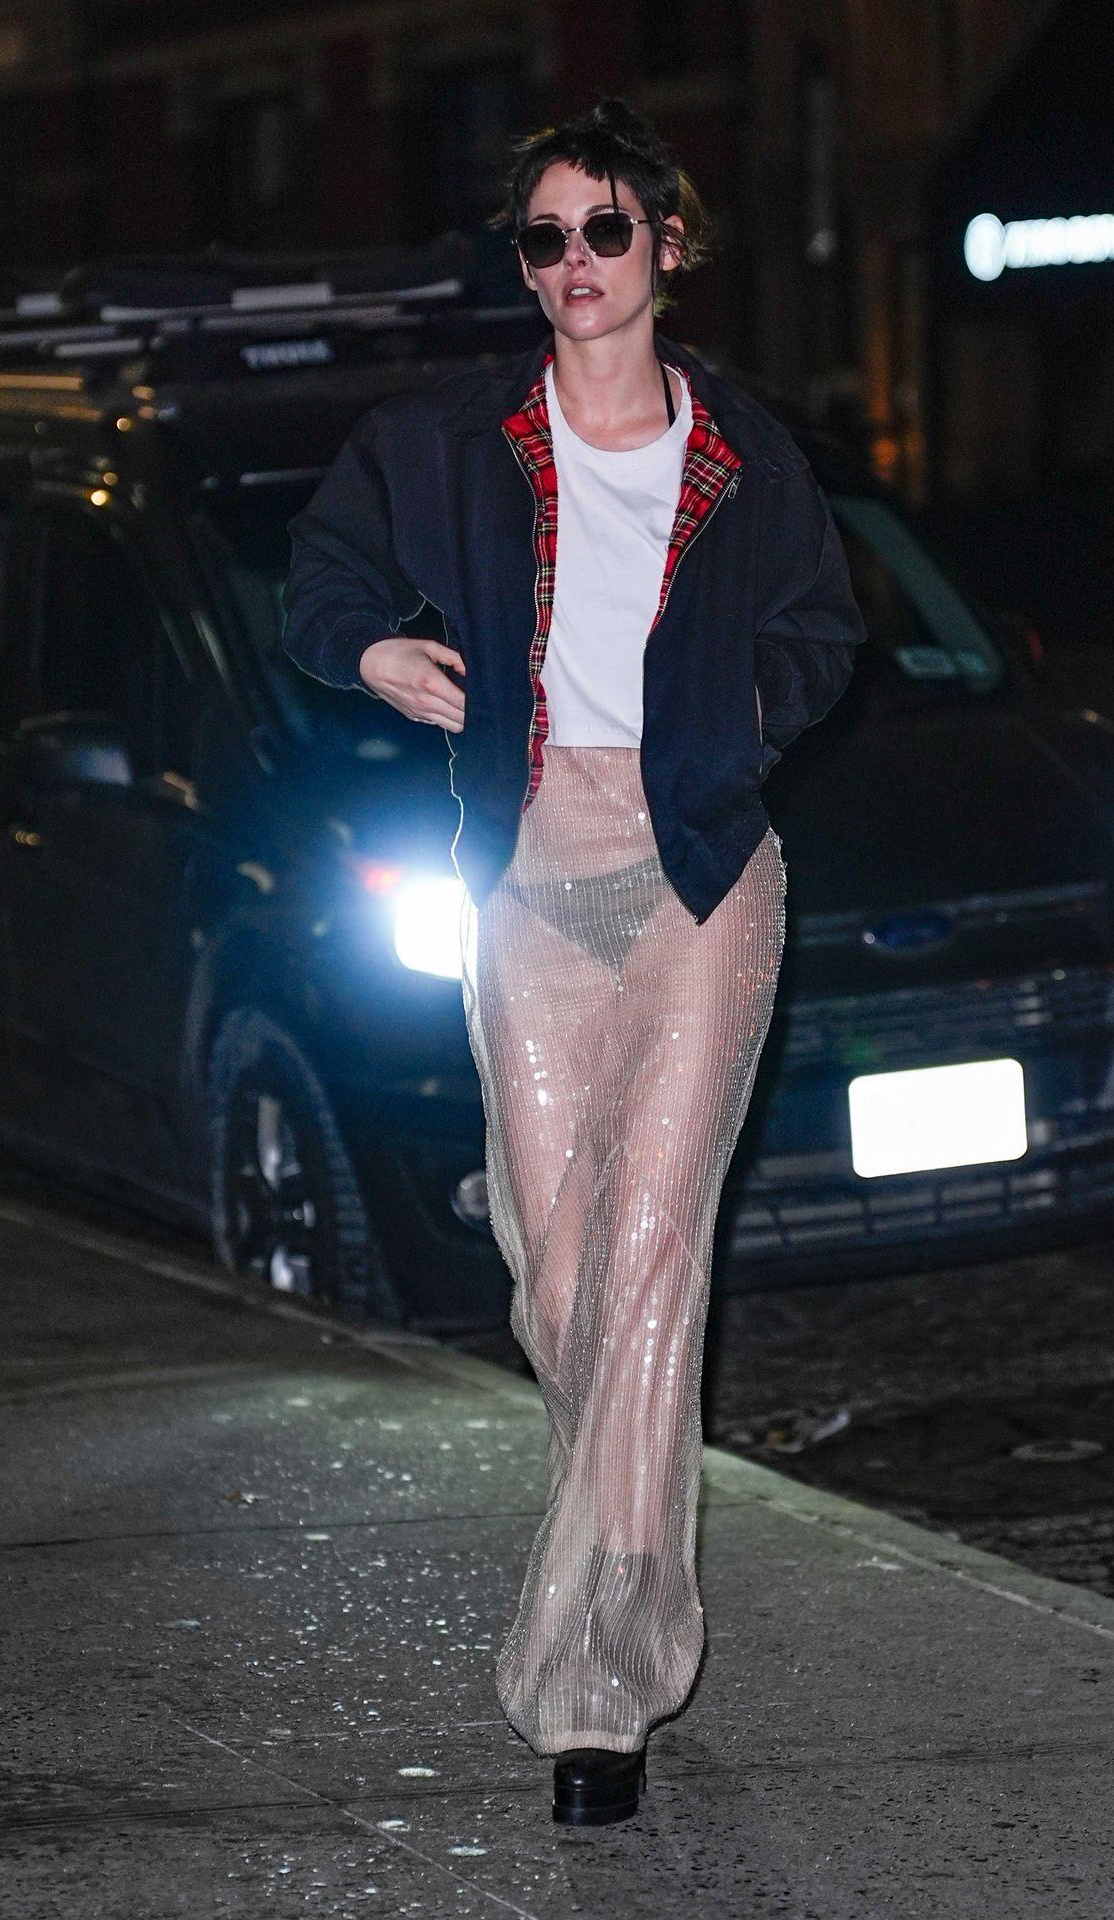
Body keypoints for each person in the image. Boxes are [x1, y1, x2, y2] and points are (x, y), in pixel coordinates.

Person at [281, 95, 865, 1826]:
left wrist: (738, 714)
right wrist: (376, 655)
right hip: (527, 874)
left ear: (667, 246)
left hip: (699, 873)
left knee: (654, 1248)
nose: (575, 263)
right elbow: (318, 576)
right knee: (556, 1276)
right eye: (545, 236)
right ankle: (628, 1577)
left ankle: (597, 1686)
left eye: (606, 228)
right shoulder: (453, 441)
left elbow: (827, 630)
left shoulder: (742, 449)